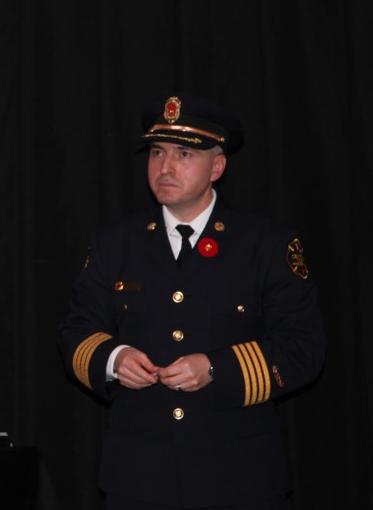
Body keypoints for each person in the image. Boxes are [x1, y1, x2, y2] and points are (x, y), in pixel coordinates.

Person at [57, 93, 325, 509]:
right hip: (139, 477)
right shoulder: (114, 243)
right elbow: (75, 332)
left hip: (239, 477)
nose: (165, 167)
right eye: (157, 152)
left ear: (216, 167)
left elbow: (303, 348)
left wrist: (216, 368)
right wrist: (114, 358)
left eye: (183, 154)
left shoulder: (267, 244)